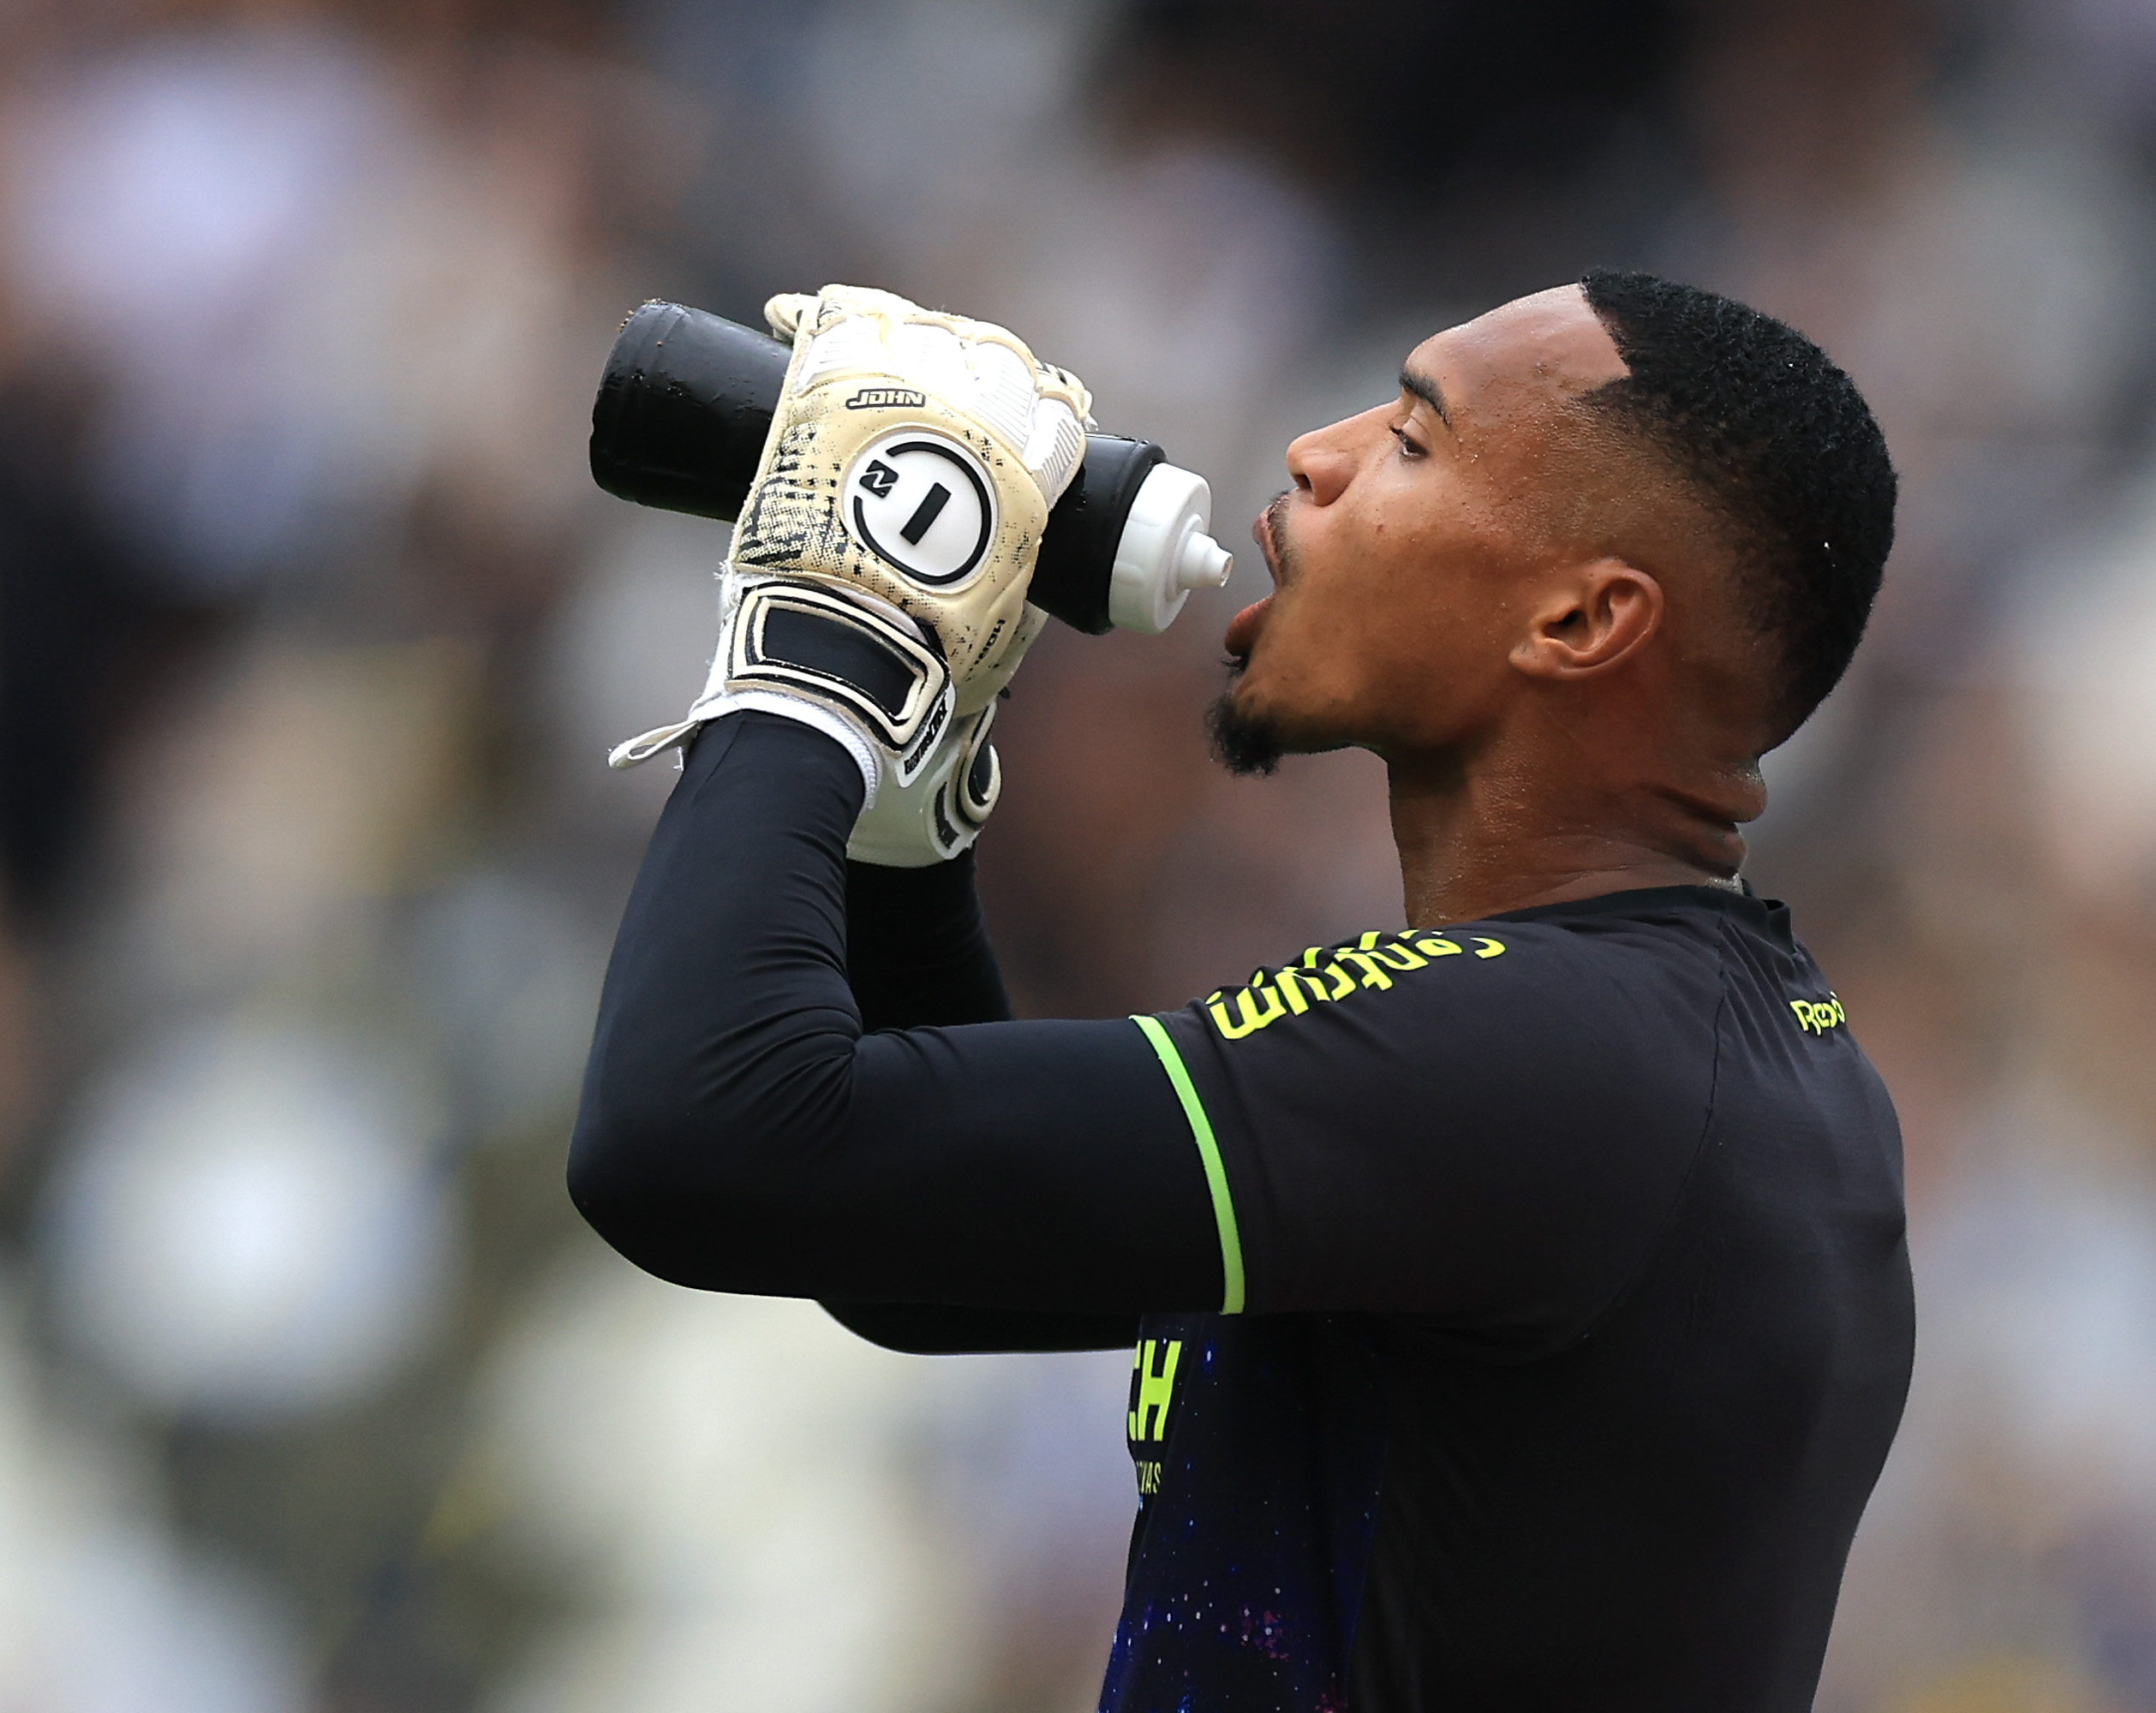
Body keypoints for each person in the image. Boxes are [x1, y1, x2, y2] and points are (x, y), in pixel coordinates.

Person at [570, 272, 1909, 1711]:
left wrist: (826, 643)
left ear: (1582, 621)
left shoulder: (1538, 1058)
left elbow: (690, 1140)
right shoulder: (1678, 1042)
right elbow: (925, 1251)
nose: (1313, 453)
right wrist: (923, 768)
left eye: (1411, 439)